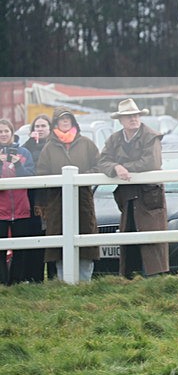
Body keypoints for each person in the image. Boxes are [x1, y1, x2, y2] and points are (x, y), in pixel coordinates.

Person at [96, 99, 169, 278]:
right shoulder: (114, 139)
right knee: (129, 237)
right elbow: (102, 161)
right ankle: (131, 277)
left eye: (135, 115)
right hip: (127, 196)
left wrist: (124, 167)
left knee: (152, 238)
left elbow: (151, 162)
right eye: (128, 116)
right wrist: (116, 168)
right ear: (120, 120)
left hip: (149, 195)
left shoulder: (151, 136)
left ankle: (155, 279)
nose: (133, 119)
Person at [36, 107, 100, 282]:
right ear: (56, 123)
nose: (65, 123)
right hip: (57, 202)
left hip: (83, 200)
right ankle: (65, 282)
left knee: (86, 239)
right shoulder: (49, 148)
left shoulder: (86, 143)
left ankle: (85, 282)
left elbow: (99, 165)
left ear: (73, 122)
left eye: (68, 119)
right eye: (61, 120)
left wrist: (85, 177)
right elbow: (41, 173)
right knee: (60, 241)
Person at [0, 119, 37, 285]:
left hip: (21, 208)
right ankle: (2, 282)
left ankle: (17, 282)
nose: (3, 134)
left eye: (6, 131)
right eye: (0, 132)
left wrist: (17, 164)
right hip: (1, 210)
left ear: (12, 132)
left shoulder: (24, 153)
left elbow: (29, 177)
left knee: (20, 249)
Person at [22, 114, 52, 281]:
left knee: (51, 235)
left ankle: (54, 277)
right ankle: (34, 278)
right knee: (34, 235)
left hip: (49, 198)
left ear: (49, 129)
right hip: (32, 198)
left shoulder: (53, 146)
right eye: (37, 127)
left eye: (43, 126)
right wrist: (30, 142)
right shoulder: (27, 147)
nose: (39, 129)